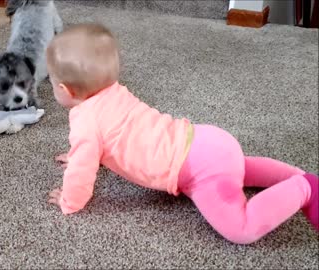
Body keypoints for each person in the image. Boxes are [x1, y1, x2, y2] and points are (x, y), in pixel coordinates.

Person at [45, 23, 318, 244]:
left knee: (241, 229)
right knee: (240, 168)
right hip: (206, 139)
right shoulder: (115, 89)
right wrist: (79, 153)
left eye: (53, 83)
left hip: (196, 168)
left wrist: (70, 201)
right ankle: (296, 174)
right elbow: (112, 135)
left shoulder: (85, 123)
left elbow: (83, 171)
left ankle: (304, 188)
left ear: (66, 90)